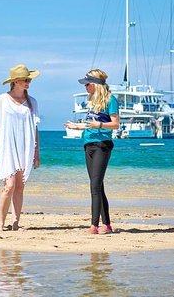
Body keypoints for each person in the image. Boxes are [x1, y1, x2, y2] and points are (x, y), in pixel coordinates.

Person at [64, 69, 119, 235]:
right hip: (88, 144)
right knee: (98, 186)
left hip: (102, 144)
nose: (86, 86)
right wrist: (77, 126)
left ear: (96, 84)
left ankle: (94, 225)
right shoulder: (92, 102)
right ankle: (107, 225)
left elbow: (116, 124)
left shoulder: (111, 100)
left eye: (88, 83)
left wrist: (100, 126)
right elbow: (90, 124)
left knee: (94, 186)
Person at [0, 64, 41, 231]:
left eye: (29, 79)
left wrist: (36, 152)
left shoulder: (32, 102)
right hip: (8, 146)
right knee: (9, 185)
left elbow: (35, 128)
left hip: (26, 146)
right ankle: (0, 223)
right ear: (16, 81)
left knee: (20, 186)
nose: (28, 82)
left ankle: (16, 222)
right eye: (26, 79)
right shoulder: (2, 99)